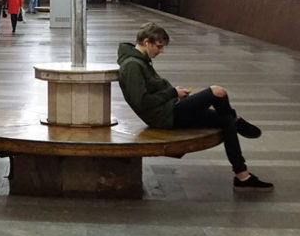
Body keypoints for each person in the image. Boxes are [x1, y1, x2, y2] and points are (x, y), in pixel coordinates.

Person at [117, 22, 273, 192]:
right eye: (159, 47)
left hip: (170, 108)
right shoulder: (133, 65)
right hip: (166, 115)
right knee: (217, 92)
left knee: (225, 120)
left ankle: (242, 176)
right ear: (146, 42)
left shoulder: (142, 61)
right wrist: (172, 93)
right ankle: (238, 120)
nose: (161, 51)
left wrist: (175, 94)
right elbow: (141, 101)